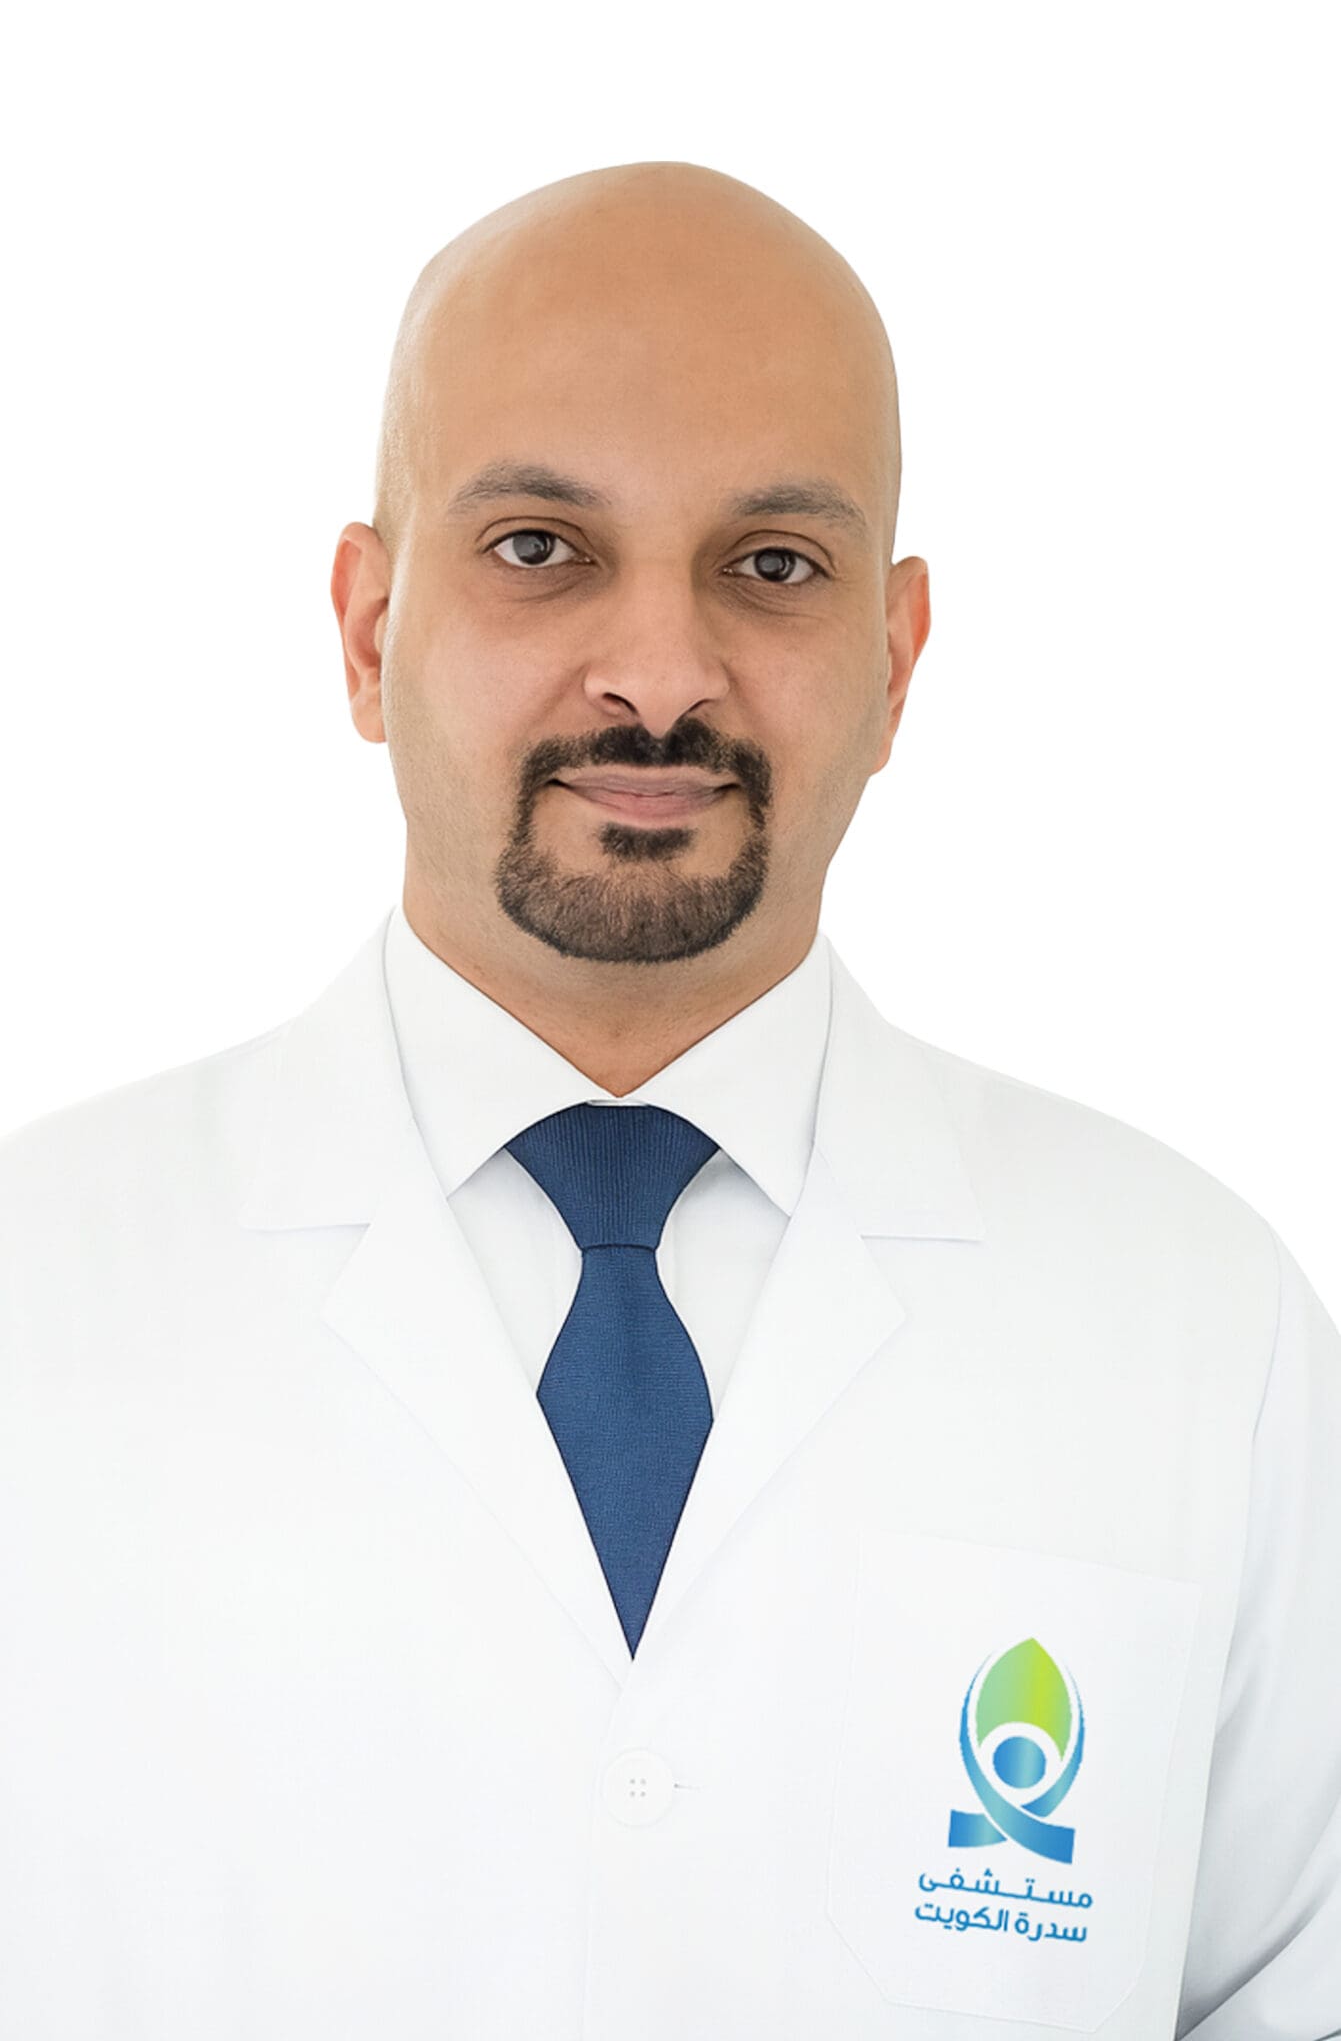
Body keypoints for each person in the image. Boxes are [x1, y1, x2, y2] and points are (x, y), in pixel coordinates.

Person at [0, 159, 1336, 2041]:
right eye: (539, 547)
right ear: (369, 633)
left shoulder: (1195, 1326)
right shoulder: (36, 1301)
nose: (654, 677)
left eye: (769, 565)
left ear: (895, 658)